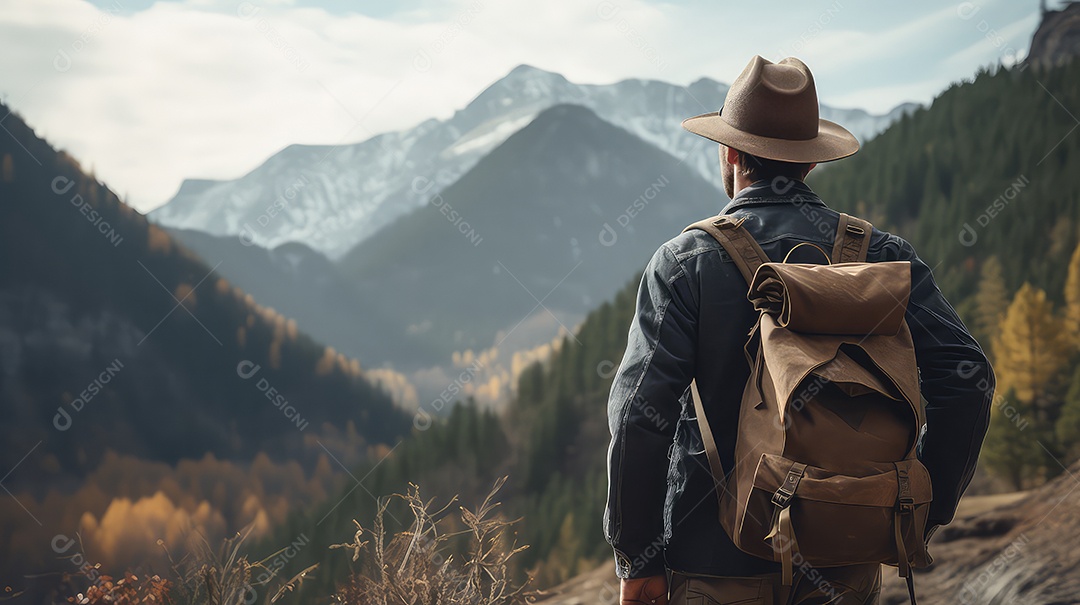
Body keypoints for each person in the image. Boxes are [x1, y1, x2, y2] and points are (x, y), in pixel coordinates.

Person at [603, 56, 994, 604]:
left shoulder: (685, 262)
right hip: (842, 568)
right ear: (810, 163)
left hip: (713, 569)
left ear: (731, 153)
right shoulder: (879, 258)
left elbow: (639, 415)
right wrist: (918, 507)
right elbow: (968, 376)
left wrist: (636, 555)